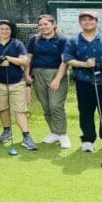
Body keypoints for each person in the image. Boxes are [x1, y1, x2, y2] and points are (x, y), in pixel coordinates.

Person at [63, 10, 102, 153]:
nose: (87, 22)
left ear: (97, 22)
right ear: (80, 23)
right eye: (83, 20)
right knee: (85, 112)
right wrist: (85, 64)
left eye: (90, 19)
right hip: (84, 83)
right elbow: (67, 59)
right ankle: (88, 140)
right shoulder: (73, 41)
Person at [0, 19, 37, 150]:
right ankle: (6, 132)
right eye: (2, 29)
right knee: (2, 108)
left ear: (11, 31)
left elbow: (24, 61)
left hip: (16, 83)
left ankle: (27, 137)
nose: (4, 31)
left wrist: (8, 58)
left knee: (20, 110)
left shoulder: (17, 44)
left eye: (7, 29)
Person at [26, 14, 71, 149]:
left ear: (53, 24)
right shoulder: (34, 39)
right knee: (46, 106)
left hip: (57, 73)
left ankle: (63, 135)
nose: (43, 27)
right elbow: (29, 58)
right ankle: (54, 132)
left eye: (46, 24)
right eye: (40, 25)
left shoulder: (62, 39)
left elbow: (65, 61)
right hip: (38, 74)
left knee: (55, 105)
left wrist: (57, 79)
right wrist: (26, 73)